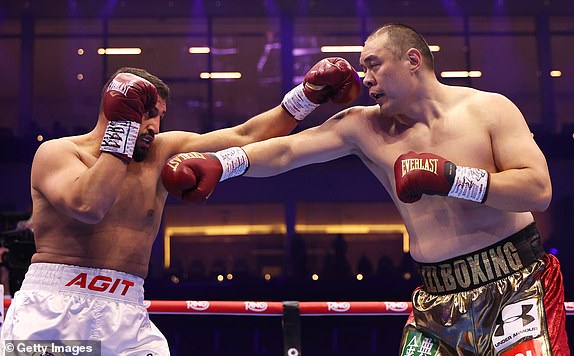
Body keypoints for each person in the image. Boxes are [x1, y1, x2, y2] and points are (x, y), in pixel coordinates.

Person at [161, 23, 570, 355]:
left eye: (374, 65)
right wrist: (221, 163)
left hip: (517, 282)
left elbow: (537, 190)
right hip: (437, 296)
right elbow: (286, 151)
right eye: (362, 68)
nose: (366, 79)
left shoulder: (488, 108)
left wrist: (452, 178)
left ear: (413, 61)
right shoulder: (364, 125)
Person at [0, 59, 361, 355]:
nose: (153, 126)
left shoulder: (161, 152)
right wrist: (122, 130)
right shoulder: (59, 153)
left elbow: (246, 136)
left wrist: (308, 96)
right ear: (113, 108)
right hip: (55, 308)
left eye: (159, 115)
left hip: (126, 312)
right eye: (145, 113)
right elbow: (90, 204)